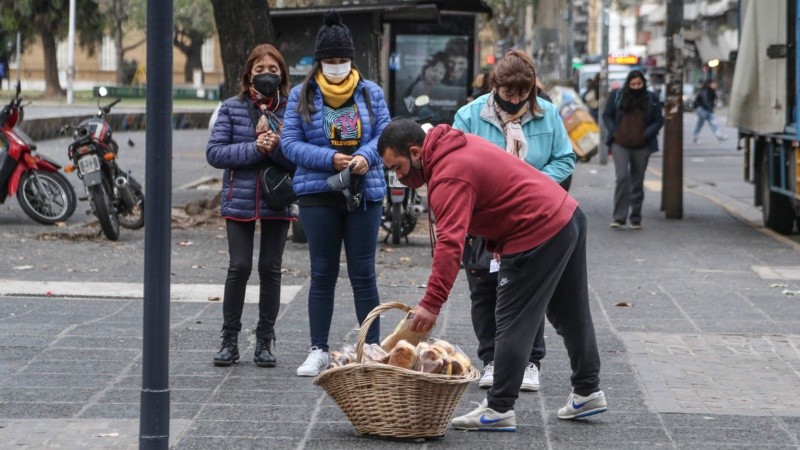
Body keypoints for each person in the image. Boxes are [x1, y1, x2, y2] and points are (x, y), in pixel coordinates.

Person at [378, 119, 607, 431]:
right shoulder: (453, 146)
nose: (399, 176)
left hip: (537, 229)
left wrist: (431, 303)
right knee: (571, 312)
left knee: (512, 321)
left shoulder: (448, 174)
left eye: (399, 167)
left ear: (416, 152)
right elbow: (496, 194)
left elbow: (449, 245)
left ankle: (499, 408)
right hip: (565, 215)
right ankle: (587, 391)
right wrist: (496, 242)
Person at [452, 48, 575, 394]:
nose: (517, 100)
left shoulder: (547, 114)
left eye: (524, 93)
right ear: (495, 86)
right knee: (484, 289)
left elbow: (565, 159)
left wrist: (533, 184)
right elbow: (455, 161)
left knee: (528, 290)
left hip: (529, 218)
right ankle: (492, 359)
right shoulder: (469, 116)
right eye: (509, 93)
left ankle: (529, 362)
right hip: (485, 216)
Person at [281, 10, 390, 377]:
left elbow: (385, 135)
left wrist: (365, 157)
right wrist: (330, 159)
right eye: (331, 60)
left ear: (352, 59)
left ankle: (371, 348)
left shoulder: (370, 93)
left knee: (364, 273)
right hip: (318, 193)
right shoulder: (301, 95)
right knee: (323, 272)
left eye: (343, 59)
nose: (337, 66)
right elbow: (289, 143)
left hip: (363, 191)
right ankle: (318, 349)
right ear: (319, 61)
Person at [206, 44, 295, 368]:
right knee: (239, 266)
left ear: (282, 74)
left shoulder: (292, 110)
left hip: (278, 198)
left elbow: (299, 158)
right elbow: (215, 153)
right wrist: (255, 148)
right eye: (259, 70)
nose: (266, 75)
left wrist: (276, 147)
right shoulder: (231, 108)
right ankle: (229, 340)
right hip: (239, 198)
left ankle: (265, 341)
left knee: (270, 268)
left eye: (273, 69)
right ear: (248, 74)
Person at [602, 70, 664, 230]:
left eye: (639, 84)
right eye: (633, 84)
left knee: (637, 181)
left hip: (642, 145)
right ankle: (619, 217)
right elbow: (607, 115)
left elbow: (658, 120)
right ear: (628, 84)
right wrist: (614, 131)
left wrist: (646, 134)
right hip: (620, 143)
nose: (636, 87)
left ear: (644, 84)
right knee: (622, 177)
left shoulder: (651, 98)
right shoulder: (617, 95)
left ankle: (635, 217)